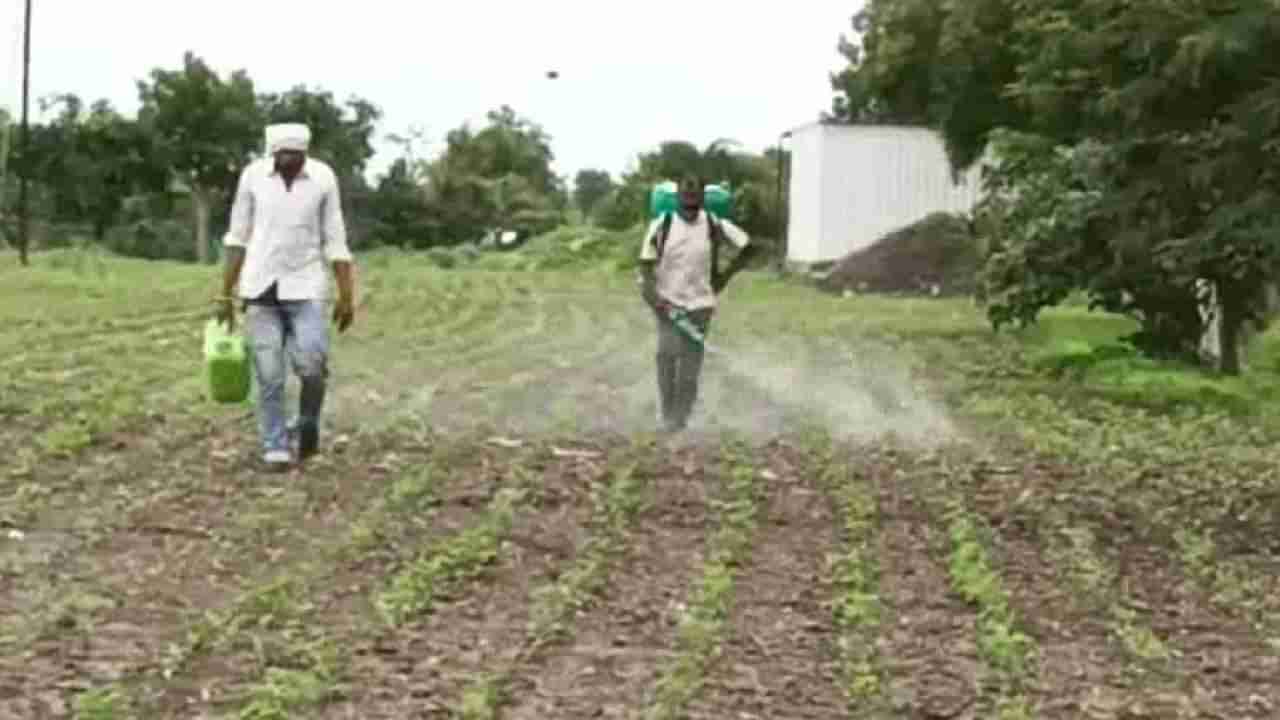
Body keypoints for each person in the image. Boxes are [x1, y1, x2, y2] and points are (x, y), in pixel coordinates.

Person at [215, 122, 356, 470]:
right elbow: (237, 237)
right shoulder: (252, 177)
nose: (289, 161)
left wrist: (346, 295)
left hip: (306, 286)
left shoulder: (323, 179)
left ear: (305, 154)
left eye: (296, 155)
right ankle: (275, 445)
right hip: (259, 287)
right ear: (272, 153)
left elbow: (335, 239)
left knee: (312, 365)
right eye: (283, 155)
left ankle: (307, 423)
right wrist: (224, 295)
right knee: (269, 373)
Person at [638, 175, 756, 433]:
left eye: (695, 200)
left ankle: (681, 418)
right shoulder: (663, 224)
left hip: (701, 304)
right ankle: (669, 414)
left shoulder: (714, 224)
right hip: (668, 302)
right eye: (685, 199)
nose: (690, 205)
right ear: (678, 197)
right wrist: (655, 299)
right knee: (667, 355)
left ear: (702, 198)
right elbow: (645, 267)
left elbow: (748, 247)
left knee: (690, 367)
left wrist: (725, 276)